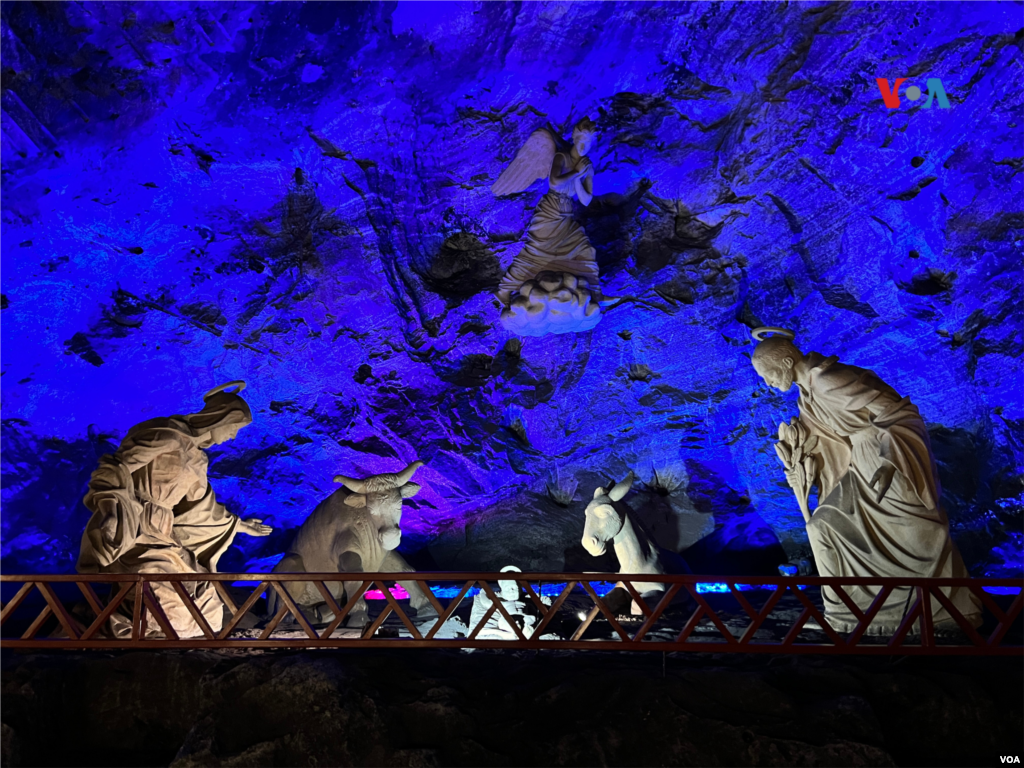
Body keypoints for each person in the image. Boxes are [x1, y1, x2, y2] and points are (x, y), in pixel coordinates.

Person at [750, 328, 981, 635]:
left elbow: (898, 413)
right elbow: (823, 441)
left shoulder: (829, 379)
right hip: (857, 466)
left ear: (788, 360)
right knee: (821, 526)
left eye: (769, 375)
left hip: (886, 461)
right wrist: (800, 466)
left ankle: (946, 609)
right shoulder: (807, 396)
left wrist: (890, 462)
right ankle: (845, 613)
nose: (767, 384)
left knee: (914, 535)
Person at [78, 381, 272, 637]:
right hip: (138, 530)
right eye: (234, 427)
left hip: (166, 535)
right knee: (173, 617)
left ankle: (143, 628)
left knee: (209, 611)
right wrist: (110, 507)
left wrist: (240, 525)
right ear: (219, 417)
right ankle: (131, 638)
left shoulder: (198, 459)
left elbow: (202, 506)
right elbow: (116, 466)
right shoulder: (165, 435)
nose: (233, 436)